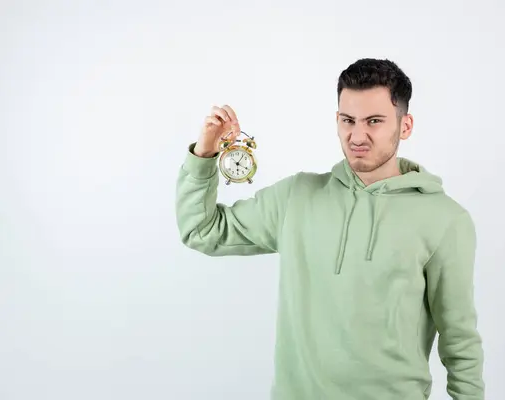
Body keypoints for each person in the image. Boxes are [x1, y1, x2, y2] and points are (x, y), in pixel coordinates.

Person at [175, 58, 485, 400]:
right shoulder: (296, 197)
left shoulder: (444, 219)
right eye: (348, 120)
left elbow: (460, 344)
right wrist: (204, 154)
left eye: (375, 121)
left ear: (405, 125)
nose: (357, 135)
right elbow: (201, 230)